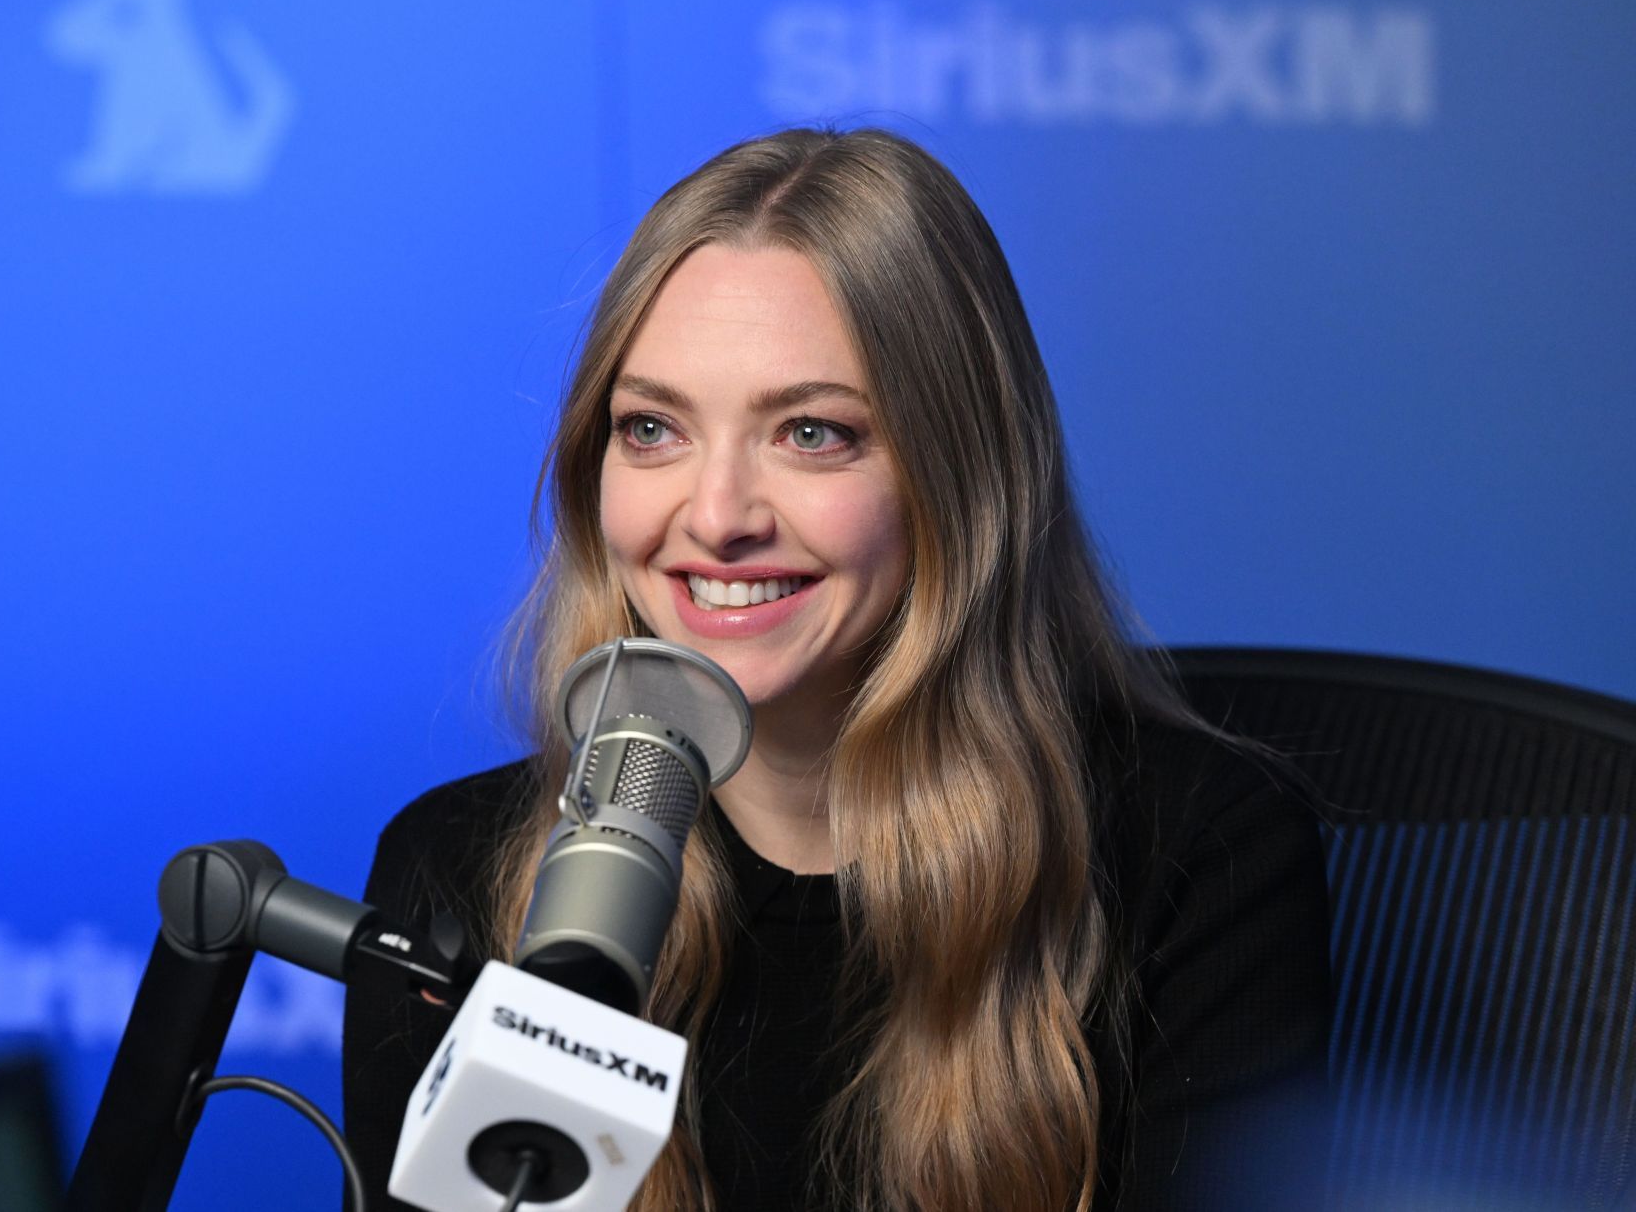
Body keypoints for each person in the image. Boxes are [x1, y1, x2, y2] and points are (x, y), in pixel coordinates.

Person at [343, 128, 1329, 1211]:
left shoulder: (1200, 858)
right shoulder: (455, 874)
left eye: (811, 432)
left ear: (959, 477)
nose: (715, 518)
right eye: (654, 429)